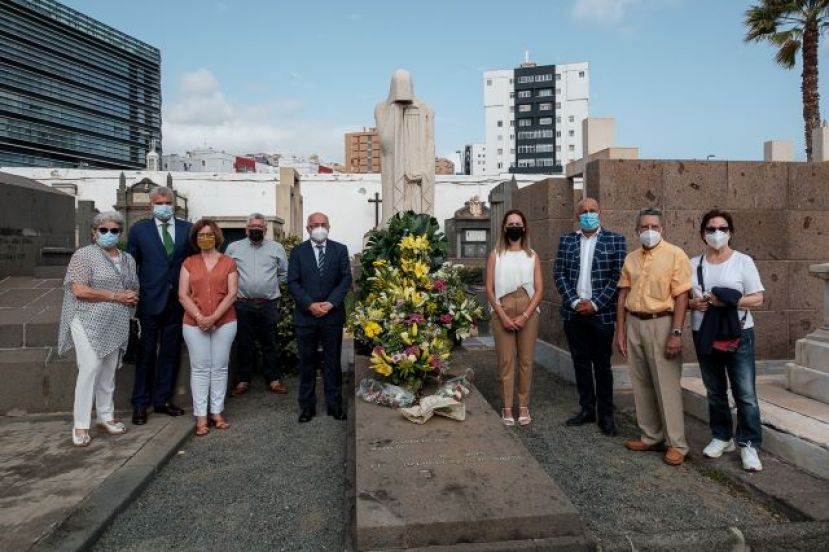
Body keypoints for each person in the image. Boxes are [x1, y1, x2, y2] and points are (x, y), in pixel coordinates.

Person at [688, 209, 765, 471]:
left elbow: (758, 298)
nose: (716, 233)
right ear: (702, 233)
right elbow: (683, 298)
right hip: (704, 332)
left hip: (739, 333)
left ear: (730, 232)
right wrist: (694, 303)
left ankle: (749, 444)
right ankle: (722, 436)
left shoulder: (743, 262)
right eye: (711, 229)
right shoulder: (693, 263)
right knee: (715, 391)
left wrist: (729, 301)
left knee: (745, 394)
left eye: (722, 228)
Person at [615, 207, 692, 466]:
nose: (649, 232)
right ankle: (650, 436)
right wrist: (621, 330)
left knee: (666, 385)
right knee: (641, 382)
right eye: (644, 227)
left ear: (663, 229)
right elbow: (623, 295)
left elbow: (682, 296)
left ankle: (676, 444)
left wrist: (676, 333)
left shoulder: (675, 255)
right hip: (635, 322)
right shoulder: (631, 259)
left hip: (663, 323)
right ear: (637, 230)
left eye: (654, 227)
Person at [59, 212, 139, 446]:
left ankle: (105, 416)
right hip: (86, 319)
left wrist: (132, 296)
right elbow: (79, 290)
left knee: (109, 370)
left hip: (116, 321)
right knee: (90, 367)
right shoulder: (83, 256)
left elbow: (133, 285)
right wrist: (116, 296)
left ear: (120, 234)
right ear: (94, 232)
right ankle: (81, 424)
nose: (109, 234)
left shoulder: (127, 259)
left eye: (114, 230)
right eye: (103, 230)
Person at [554, 197, 626, 435]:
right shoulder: (567, 241)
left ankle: (606, 414)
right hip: (573, 314)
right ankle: (587, 409)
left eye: (592, 210)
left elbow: (618, 277)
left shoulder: (615, 240)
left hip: (601, 315)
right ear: (577, 215)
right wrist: (574, 301)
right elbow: (559, 274)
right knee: (581, 364)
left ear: (600, 213)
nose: (588, 214)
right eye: (583, 211)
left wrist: (595, 304)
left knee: (603, 366)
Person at [126, 186, 193, 425]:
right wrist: (131, 293)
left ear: (173, 204)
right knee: (146, 353)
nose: (164, 206)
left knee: (170, 353)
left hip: (178, 301)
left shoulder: (188, 229)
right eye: (159, 202)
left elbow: (193, 263)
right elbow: (130, 265)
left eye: (167, 202)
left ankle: (163, 400)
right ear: (151, 205)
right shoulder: (139, 230)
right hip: (149, 301)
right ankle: (140, 404)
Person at [287, 212, 352, 423]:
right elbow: (293, 281)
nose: (319, 227)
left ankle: (335, 406)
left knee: (332, 363)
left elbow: (345, 279)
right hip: (306, 318)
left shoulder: (340, 250)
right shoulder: (298, 252)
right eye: (315, 225)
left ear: (329, 227)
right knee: (307, 363)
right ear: (308, 228)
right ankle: (307, 408)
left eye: (323, 224)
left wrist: (330, 303)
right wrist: (309, 305)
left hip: (332, 317)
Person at [178, 219, 238, 436]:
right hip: (194, 324)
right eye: (201, 235)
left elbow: (232, 293)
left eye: (210, 234)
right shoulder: (189, 263)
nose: (206, 238)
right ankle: (201, 417)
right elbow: (183, 294)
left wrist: (213, 317)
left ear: (217, 237)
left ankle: (217, 412)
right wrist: (200, 317)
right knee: (201, 368)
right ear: (195, 238)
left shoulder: (229, 262)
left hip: (225, 322)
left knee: (220, 367)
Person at [485, 209, 543, 427]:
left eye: (518, 223)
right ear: (504, 228)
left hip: (528, 308)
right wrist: (502, 315)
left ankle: (524, 405)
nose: (515, 227)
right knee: (506, 361)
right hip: (503, 308)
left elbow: (539, 289)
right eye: (511, 223)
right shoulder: (496, 255)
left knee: (526, 361)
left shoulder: (532, 255)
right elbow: (489, 289)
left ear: (524, 227)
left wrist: (526, 315)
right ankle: (507, 407)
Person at [225, 213, 289, 396]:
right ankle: (243, 380)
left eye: (260, 227)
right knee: (244, 343)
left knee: (271, 343)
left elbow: (284, 273)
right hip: (242, 304)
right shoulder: (233, 248)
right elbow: (225, 273)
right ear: (246, 229)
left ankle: (274, 380)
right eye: (253, 227)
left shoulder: (276, 248)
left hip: (268, 304)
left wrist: (271, 287)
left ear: (265, 229)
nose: (256, 230)